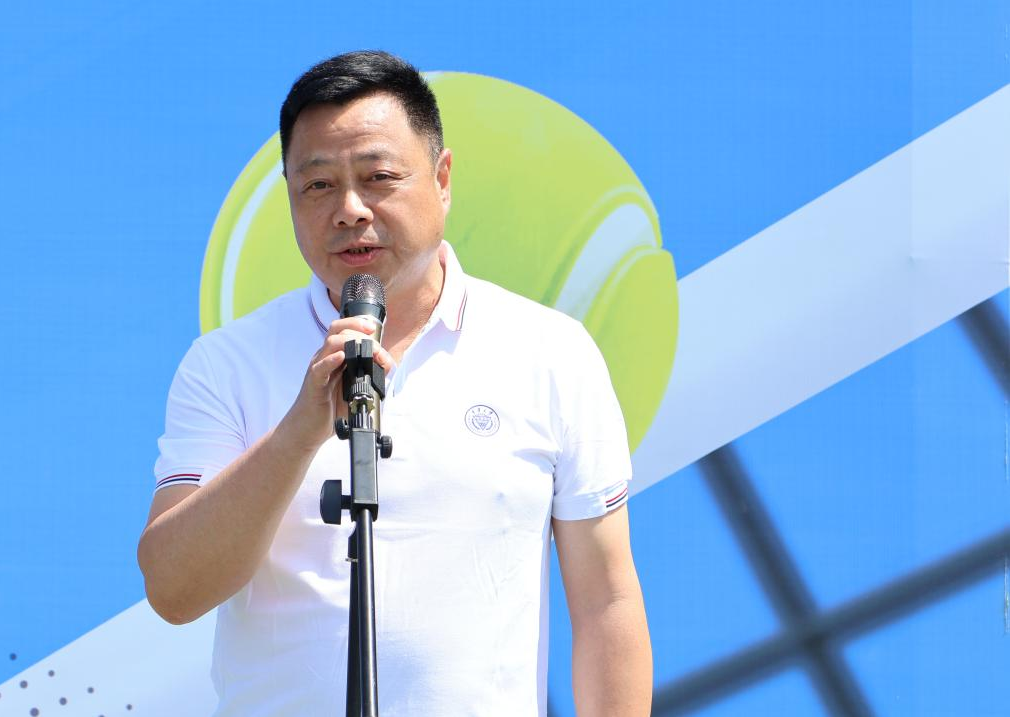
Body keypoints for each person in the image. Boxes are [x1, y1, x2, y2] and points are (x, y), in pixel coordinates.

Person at [137, 50, 652, 716]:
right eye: (318, 186)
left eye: (378, 177)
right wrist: (299, 431)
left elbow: (607, 600)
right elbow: (175, 589)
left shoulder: (549, 351)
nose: (350, 210)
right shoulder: (227, 363)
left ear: (442, 179)